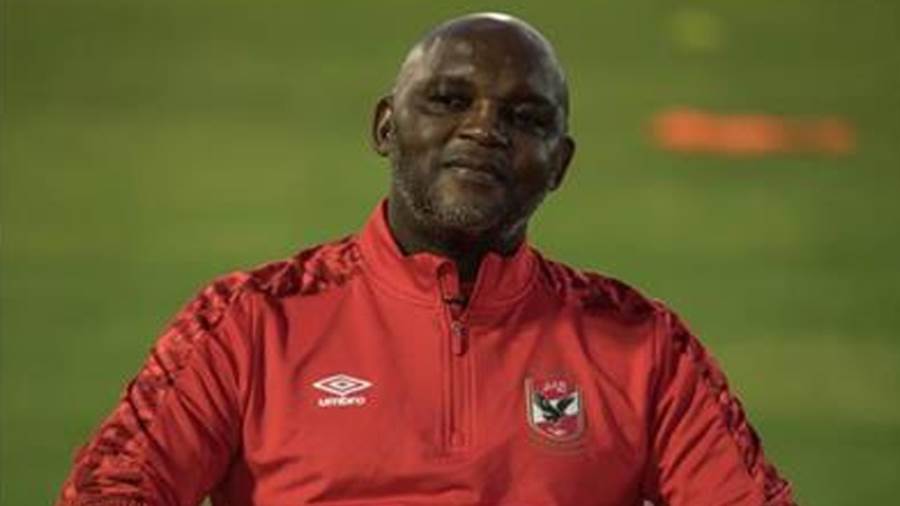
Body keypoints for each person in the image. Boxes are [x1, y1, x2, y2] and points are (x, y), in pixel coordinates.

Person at [57, 12, 795, 506]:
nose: (484, 130)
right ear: (386, 126)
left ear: (559, 165)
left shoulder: (644, 348)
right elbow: (112, 491)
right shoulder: (249, 323)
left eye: (524, 117)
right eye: (448, 100)